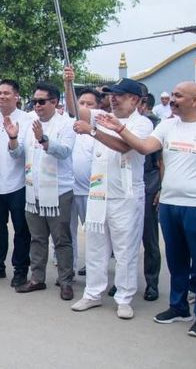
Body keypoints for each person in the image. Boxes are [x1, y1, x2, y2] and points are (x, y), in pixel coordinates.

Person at [98, 82, 196, 338]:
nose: (172, 99)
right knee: (176, 260)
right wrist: (120, 128)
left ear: (195, 100)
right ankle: (178, 306)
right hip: (170, 204)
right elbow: (145, 147)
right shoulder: (167, 125)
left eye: (178, 95)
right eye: (172, 95)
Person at [63, 71, 153, 319]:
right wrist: (68, 83)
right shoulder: (103, 116)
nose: (113, 100)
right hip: (99, 193)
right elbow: (74, 111)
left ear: (135, 100)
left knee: (125, 250)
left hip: (125, 196)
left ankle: (124, 297)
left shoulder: (142, 123)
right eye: (111, 96)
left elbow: (126, 147)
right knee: (95, 247)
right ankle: (93, 293)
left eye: (120, 96)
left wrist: (92, 132)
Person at [6, 82, 76, 300]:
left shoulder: (66, 124)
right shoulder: (29, 124)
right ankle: (37, 278)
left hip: (58, 192)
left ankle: (65, 281)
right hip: (33, 191)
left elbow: (64, 152)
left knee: (61, 239)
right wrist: (13, 138)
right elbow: (18, 155)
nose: (37, 106)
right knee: (37, 238)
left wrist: (44, 140)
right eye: (34, 102)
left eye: (41, 101)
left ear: (54, 102)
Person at [0, 79, 34, 287]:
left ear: (17, 96)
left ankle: (20, 270)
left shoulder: (28, 119)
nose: (1, 96)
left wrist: (13, 138)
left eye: (6, 93)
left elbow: (24, 151)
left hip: (19, 184)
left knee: (22, 230)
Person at [69, 88, 100, 276]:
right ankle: (69, 270)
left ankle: (95, 270)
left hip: (92, 193)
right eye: (81, 103)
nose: (85, 107)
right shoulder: (69, 128)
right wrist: (67, 83)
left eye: (90, 104)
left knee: (94, 237)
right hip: (69, 191)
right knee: (67, 235)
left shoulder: (100, 131)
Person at [139, 91, 163, 302]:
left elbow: (161, 161)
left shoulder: (155, 125)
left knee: (150, 238)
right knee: (122, 239)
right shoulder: (114, 120)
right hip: (123, 185)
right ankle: (122, 282)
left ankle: (151, 282)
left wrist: (159, 188)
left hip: (148, 184)